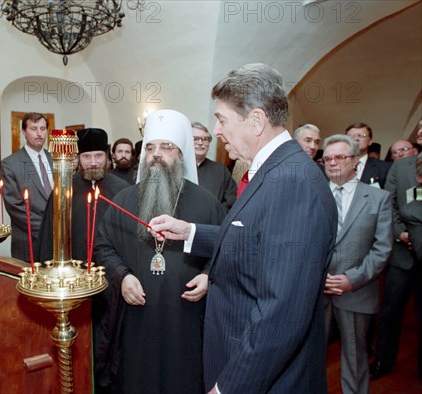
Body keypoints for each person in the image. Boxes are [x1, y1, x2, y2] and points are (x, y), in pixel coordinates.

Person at [149, 64, 337, 393]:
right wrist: (190, 232)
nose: (216, 130)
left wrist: (229, 387)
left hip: (262, 377)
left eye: (222, 119)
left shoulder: (292, 182)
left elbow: (281, 313)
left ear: (256, 120)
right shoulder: (273, 169)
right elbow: (253, 239)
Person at [93, 109, 225, 393]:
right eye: (151, 147)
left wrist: (208, 276)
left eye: (167, 147)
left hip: (186, 318)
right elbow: (103, 246)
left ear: (181, 154)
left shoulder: (207, 203)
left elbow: (225, 248)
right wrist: (123, 276)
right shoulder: (124, 199)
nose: (156, 154)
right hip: (136, 318)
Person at [321, 135, 392, 394]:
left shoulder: (378, 199)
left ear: (355, 162)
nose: (332, 163)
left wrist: (354, 279)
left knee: (355, 357)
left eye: (340, 157)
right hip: (317, 291)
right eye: (327, 158)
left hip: (357, 291)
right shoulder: (313, 196)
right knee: (310, 356)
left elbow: (382, 248)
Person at [37, 128, 129, 262]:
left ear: (107, 156)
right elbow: (49, 237)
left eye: (98, 156)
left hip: (112, 269)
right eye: (86, 156)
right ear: (78, 158)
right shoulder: (64, 188)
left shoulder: (122, 189)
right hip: (74, 270)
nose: (93, 162)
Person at [370, 152, 422, 379]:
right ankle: (383, 360)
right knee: (390, 312)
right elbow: (388, 203)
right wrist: (401, 233)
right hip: (402, 254)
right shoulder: (401, 167)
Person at [1, 112, 53, 261]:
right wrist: (47, 230)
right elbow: (15, 206)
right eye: (34, 128)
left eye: (43, 129)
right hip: (29, 241)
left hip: (58, 243)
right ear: (24, 131)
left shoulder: (55, 159)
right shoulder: (10, 164)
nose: (39, 134)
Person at [192, 121, 237, 213]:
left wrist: (214, 215)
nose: (200, 143)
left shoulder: (221, 171)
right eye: (195, 139)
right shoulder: (175, 169)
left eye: (205, 139)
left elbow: (231, 201)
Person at [345, 123, 391, 188]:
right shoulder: (334, 165)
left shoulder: (385, 168)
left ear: (370, 141)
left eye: (361, 135)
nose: (356, 139)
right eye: (351, 136)